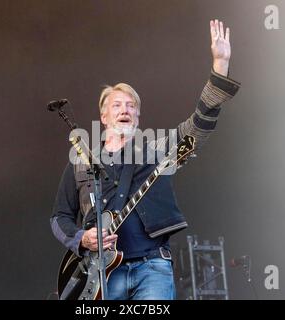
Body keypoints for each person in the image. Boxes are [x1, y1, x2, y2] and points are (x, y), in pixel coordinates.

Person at [51, 20, 240, 300]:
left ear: (138, 118)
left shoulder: (155, 152)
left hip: (152, 267)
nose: (125, 110)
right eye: (117, 105)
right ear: (103, 117)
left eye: (131, 106)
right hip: (101, 274)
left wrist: (220, 65)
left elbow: (197, 129)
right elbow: (60, 217)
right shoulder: (81, 161)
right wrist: (81, 239)